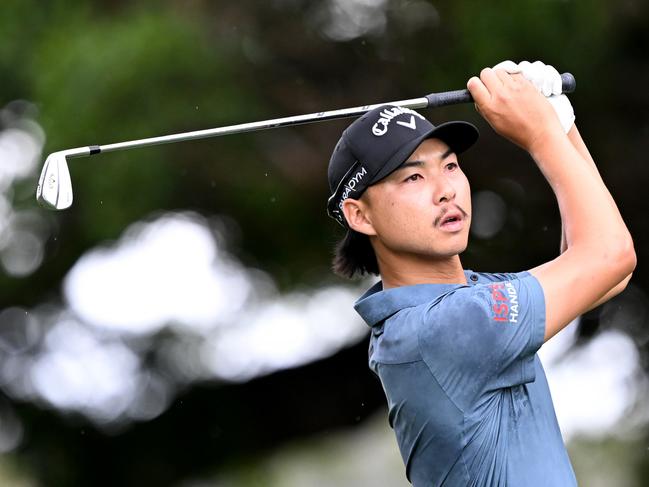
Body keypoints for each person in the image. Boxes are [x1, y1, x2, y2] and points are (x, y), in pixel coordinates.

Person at [325, 61, 636, 486]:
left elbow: (603, 272)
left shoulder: (466, 298)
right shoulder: (442, 329)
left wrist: (561, 123)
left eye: (450, 166)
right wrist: (541, 133)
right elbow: (609, 256)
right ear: (360, 215)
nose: (446, 190)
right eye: (414, 176)